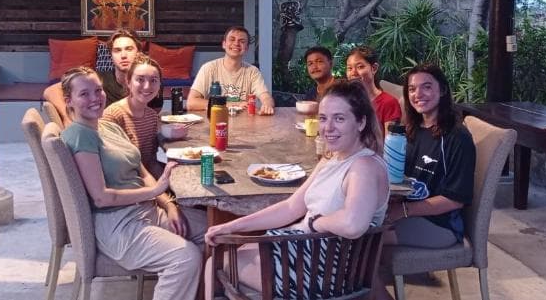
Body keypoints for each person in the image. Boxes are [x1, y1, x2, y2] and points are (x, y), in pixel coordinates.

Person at [203, 80, 389, 298]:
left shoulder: (364, 166)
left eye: (339, 118)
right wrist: (231, 226)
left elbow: (353, 224)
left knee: (215, 264)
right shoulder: (332, 158)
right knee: (228, 254)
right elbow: (291, 207)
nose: (328, 128)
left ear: (360, 123)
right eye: (323, 118)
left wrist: (313, 222)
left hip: (330, 274)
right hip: (310, 253)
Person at [59, 66, 205, 300]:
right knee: (185, 258)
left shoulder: (107, 125)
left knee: (214, 232)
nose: (95, 98)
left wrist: (168, 204)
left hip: (146, 210)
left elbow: (141, 168)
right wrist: (155, 190)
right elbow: (102, 197)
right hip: (119, 224)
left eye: (98, 90)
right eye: (84, 94)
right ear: (69, 101)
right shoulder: (79, 135)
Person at [374, 63, 476, 300]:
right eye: (412, 89)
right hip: (407, 212)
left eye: (426, 87)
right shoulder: (412, 129)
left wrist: (402, 211)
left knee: (360, 242)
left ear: (442, 90)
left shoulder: (457, 138)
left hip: (440, 225)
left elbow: (455, 200)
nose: (418, 94)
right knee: (347, 231)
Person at [101, 54, 167, 177]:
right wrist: (161, 194)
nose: (147, 86)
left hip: (147, 180)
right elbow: (113, 170)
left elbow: (150, 162)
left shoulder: (152, 116)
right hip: (126, 185)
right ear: (128, 82)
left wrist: (168, 185)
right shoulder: (113, 116)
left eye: (153, 80)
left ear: (159, 85)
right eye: (140, 79)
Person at [188, 25, 275, 114]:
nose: (236, 43)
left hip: (244, 124)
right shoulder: (208, 68)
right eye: (232, 39)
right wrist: (233, 104)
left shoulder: (252, 71)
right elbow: (191, 103)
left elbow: (265, 96)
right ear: (224, 44)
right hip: (215, 122)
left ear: (246, 48)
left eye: (242, 41)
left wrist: (267, 105)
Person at [345, 45, 402, 127]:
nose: (353, 73)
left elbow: (390, 139)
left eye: (360, 67)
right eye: (349, 68)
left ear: (374, 68)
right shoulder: (345, 101)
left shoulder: (388, 103)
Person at [98, 29, 142, 104]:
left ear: (139, 52)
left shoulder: (151, 81)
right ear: (111, 55)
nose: (123, 55)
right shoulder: (98, 82)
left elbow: (155, 112)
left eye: (129, 49)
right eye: (117, 50)